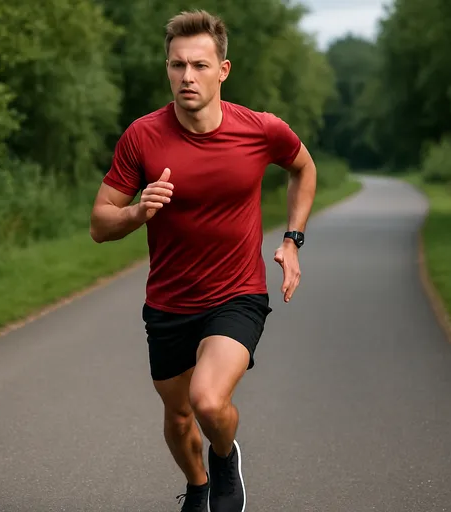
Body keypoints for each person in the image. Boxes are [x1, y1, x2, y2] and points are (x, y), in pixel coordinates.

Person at [89, 9, 316, 512]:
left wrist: (292, 238)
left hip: (237, 294)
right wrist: (139, 210)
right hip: (169, 302)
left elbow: (303, 167)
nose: (186, 77)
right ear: (167, 68)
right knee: (178, 417)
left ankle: (223, 458)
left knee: (208, 401)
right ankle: (197, 484)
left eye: (198, 65)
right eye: (176, 66)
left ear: (223, 70)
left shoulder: (260, 130)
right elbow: (100, 224)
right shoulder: (143, 137)